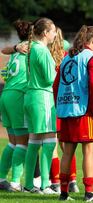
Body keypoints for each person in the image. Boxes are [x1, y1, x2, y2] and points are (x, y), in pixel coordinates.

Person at [54, 25, 93, 202]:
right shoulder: (92, 57)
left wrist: (59, 106)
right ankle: (89, 194)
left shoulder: (67, 57)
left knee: (67, 154)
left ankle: (63, 194)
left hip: (65, 109)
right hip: (85, 111)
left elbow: (56, 86)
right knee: (89, 152)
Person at [23, 17, 58, 194]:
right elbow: (49, 78)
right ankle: (45, 185)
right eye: (52, 31)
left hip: (31, 96)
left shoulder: (31, 48)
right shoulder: (42, 50)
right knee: (50, 140)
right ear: (45, 33)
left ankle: (29, 184)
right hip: (41, 97)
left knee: (34, 141)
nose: (54, 35)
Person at [0, 20, 31, 192]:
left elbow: (3, 49)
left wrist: (15, 47)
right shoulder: (31, 48)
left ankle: (1, 178)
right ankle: (15, 182)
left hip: (6, 95)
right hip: (18, 95)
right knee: (22, 142)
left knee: (12, 142)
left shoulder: (17, 48)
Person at [48, 26, 79, 194]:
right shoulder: (67, 57)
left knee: (51, 146)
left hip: (49, 103)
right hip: (65, 104)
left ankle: (55, 182)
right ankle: (72, 180)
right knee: (67, 146)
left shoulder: (45, 55)